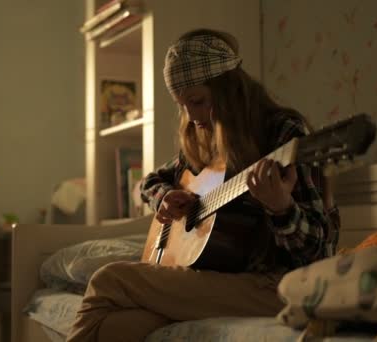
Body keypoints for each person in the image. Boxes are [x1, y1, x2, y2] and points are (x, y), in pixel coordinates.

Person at [66, 28, 340, 342]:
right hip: (224, 280)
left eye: (197, 101)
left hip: (280, 285)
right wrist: (165, 196)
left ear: (230, 90)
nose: (192, 117)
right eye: (182, 105)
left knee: (110, 278)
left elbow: (320, 251)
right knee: (118, 328)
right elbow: (148, 182)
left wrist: (282, 209)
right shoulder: (206, 136)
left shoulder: (284, 132)